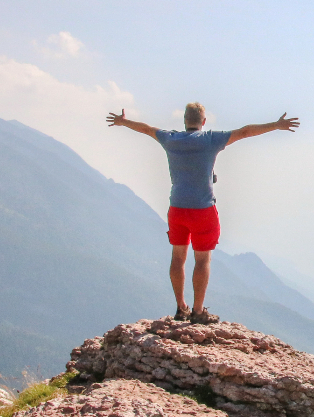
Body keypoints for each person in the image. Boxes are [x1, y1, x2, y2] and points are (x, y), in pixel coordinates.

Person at [106, 103, 300, 324]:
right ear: (203, 121)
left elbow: (147, 129)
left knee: (178, 257)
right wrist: (276, 125)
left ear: (185, 121)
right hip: (203, 210)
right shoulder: (210, 140)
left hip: (177, 207)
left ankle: (181, 308)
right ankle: (197, 312)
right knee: (202, 259)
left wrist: (123, 122)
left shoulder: (170, 139)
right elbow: (245, 132)